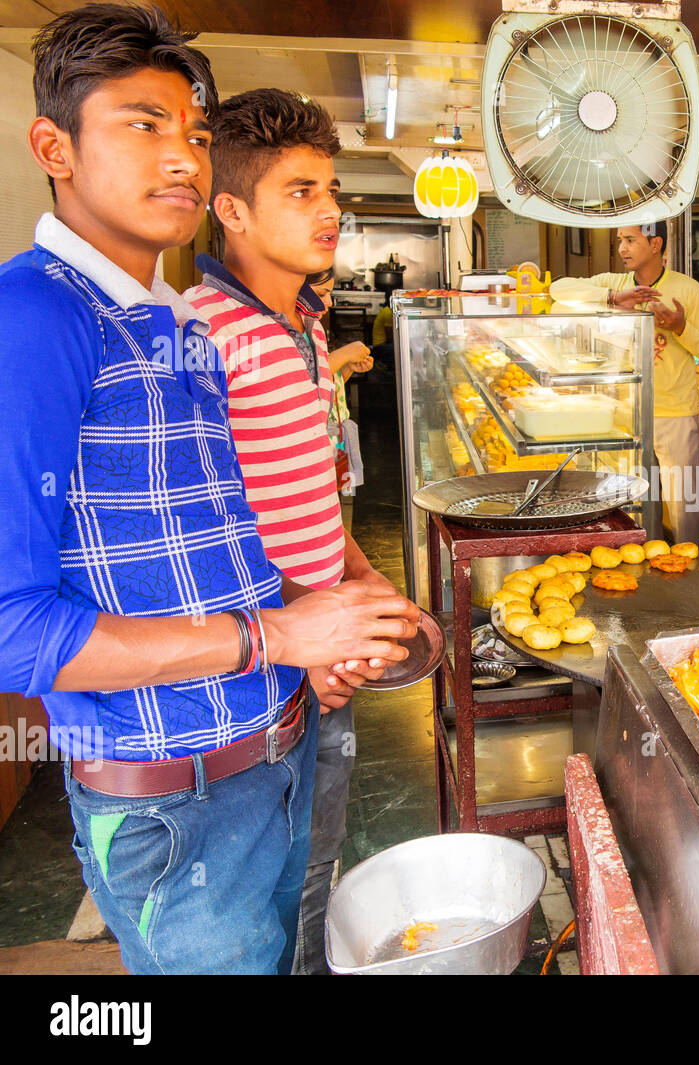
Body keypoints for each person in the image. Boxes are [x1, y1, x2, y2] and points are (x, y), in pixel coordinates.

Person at [0, 4, 417, 975]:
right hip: (170, 805)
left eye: (192, 133)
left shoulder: (171, 328)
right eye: (142, 126)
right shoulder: (37, 319)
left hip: (268, 754)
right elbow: (13, 631)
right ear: (52, 145)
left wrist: (330, 621)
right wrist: (281, 635)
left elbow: (245, 531)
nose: (183, 158)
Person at [184, 88, 416, 975]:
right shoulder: (204, 338)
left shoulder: (303, 328)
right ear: (231, 209)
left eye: (330, 189)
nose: (328, 212)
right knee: (260, 900)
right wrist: (304, 641)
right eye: (299, 191)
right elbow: (213, 525)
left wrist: (363, 584)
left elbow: (308, 492)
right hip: (263, 672)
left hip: (321, 655)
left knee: (314, 872)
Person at [551, 221, 699, 542]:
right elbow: (557, 291)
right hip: (626, 417)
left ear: (655, 244)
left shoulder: (687, 290)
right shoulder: (613, 283)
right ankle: (645, 580)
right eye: (620, 240)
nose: (622, 249)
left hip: (676, 416)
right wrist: (613, 298)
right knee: (636, 509)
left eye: (630, 240)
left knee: (686, 509)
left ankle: (692, 581)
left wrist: (681, 327)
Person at [308, 268, 373, 495]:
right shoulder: (289, 332)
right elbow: (306, 381)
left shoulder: (313, 328)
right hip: (314, 443)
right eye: (321, 294)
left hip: (334, 436)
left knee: (334, 493)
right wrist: (344, 354)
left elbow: (328, 387)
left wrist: (346, 369)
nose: (329, 302)